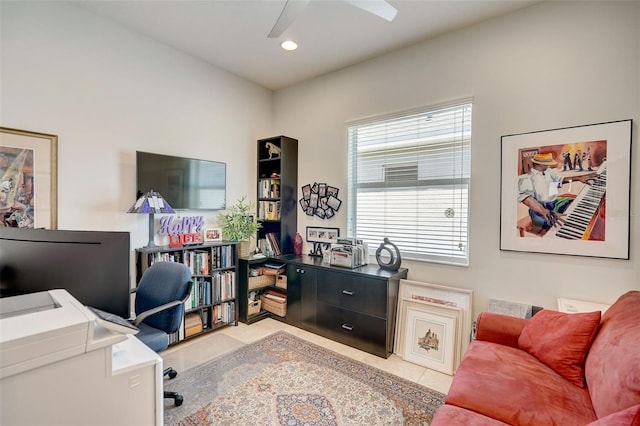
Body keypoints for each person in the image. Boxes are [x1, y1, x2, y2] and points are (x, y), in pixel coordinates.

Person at [518, 153, 595, 230]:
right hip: (539, 210)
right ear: (539, 164)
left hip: (555, 203)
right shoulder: (526, 178)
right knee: (560, 224)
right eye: (547, 164)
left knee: (575, 207)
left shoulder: (549, 171)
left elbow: (560, 180)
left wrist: (578, 178)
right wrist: (545, 212)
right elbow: (526, 198)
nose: (549, 166)